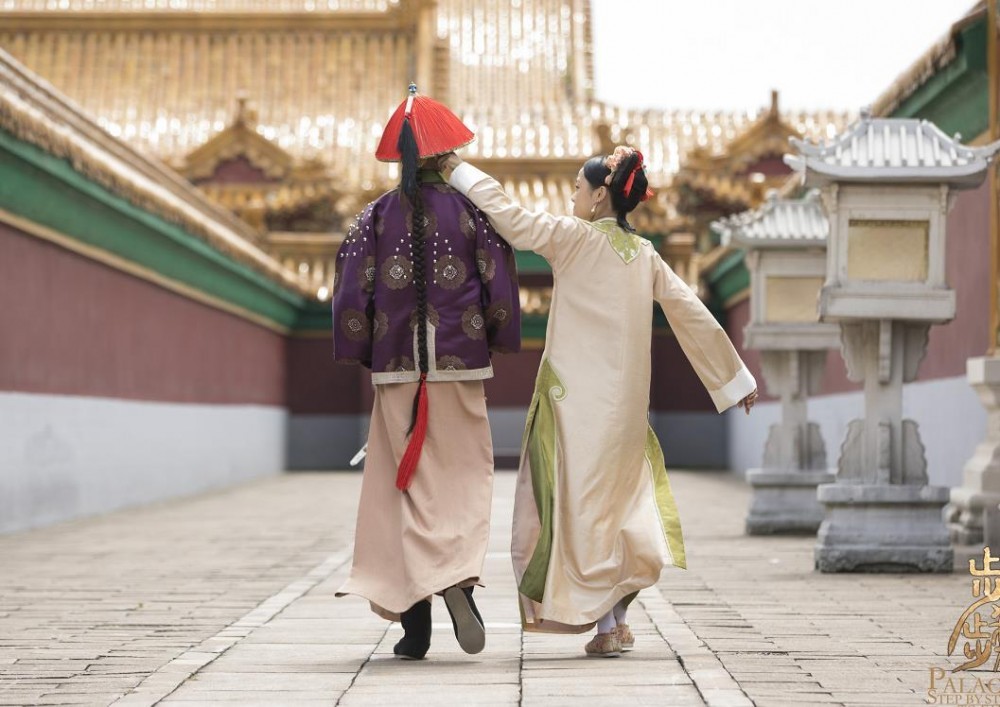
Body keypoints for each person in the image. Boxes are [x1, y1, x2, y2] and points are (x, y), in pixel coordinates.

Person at [436, 145, 758, 657]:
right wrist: (734, 379)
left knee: (581, 509)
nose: (571, 195)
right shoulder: (646, 255)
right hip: (627, 408)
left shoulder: (573, 238)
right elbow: (689, 311)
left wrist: (458, 171)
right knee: (621, 505)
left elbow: (509, 216)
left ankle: (606, 623)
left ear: (600, 195)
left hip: (575, 401)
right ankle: (620, 618)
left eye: (578, 188)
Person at [332, 85, 521, 660]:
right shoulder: (471, 213)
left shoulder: (372, 218)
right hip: (460, 368)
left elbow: (349, 295)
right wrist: (494, 333)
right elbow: (499, 280)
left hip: (396, 372)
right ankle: (460, 580)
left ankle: (415, 630)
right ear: (446, 154)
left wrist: (369, 351)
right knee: (463, 482)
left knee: (401, 494)